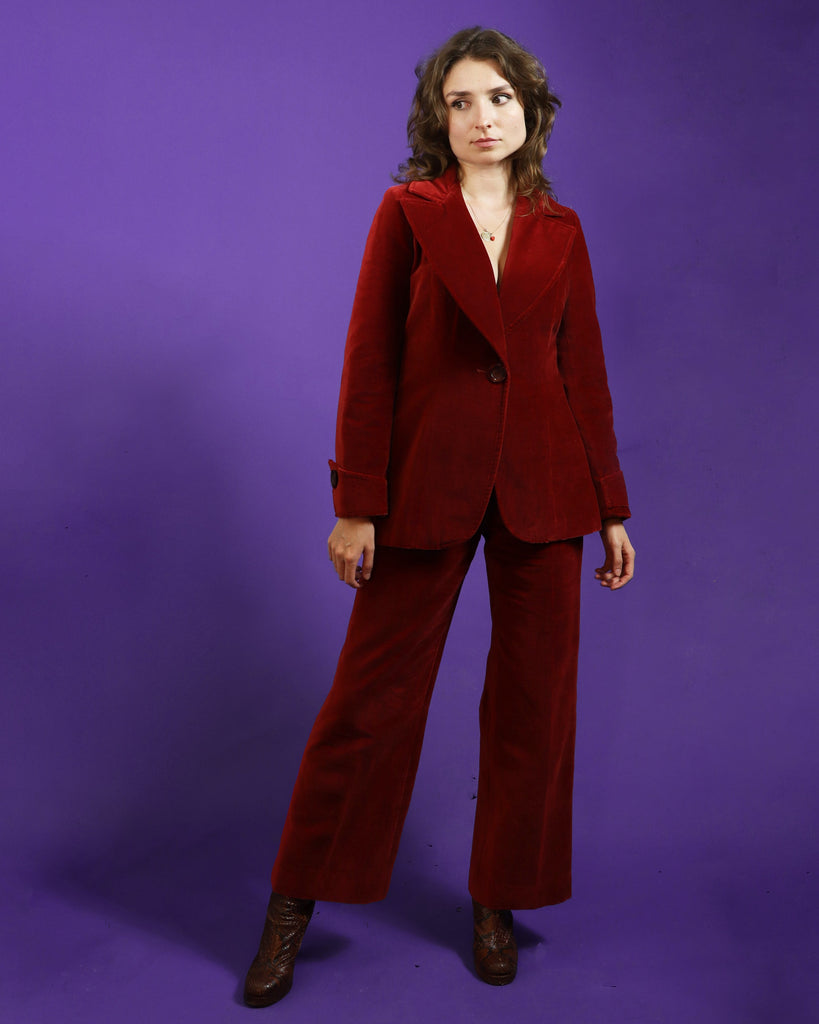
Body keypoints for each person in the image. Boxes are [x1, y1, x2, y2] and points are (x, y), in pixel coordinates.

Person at [244, 26, 635, 1008]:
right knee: (369, 702)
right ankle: (292, 905)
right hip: (424, 487)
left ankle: (497, 899)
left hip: (544, 490)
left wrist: (611, 506)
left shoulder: (561, 228)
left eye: (498, 98)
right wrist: (356, 504)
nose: (481, 118)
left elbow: (583, 373)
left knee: (535, 707)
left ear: (529, 110)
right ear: (438, 119)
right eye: (460, 101)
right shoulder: (408, 213)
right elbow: (368, 361)